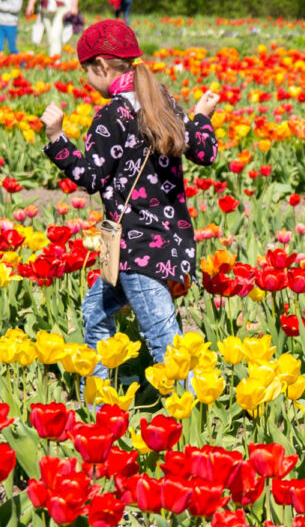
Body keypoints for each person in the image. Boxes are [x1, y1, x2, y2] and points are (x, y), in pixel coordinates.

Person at [39, 21, 220, 384]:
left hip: (136, 250)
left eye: (88, 71)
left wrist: (56, 138)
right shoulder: (161, 100)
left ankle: (193, 419)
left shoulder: (113, 115)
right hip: (168, 241)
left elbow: (90, 177)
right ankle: (101, 397)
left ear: (103, 67)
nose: (87, 80)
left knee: (163, 342)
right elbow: (205, 150)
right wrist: (201, 117)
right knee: (95, 310)